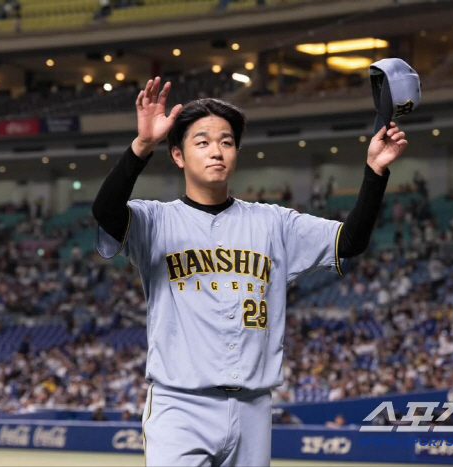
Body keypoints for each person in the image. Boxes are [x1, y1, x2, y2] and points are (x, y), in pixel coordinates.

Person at [92, 76, 408, 466]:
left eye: (226, 142)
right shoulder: (154, 220)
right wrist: (141, 146)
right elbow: (105, 212)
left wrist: (375, 171)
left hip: (253, 408)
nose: (216, 151)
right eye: (202, 142)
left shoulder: (274, 223)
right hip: (180, 405)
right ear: (177, 155)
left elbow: (350, 241)